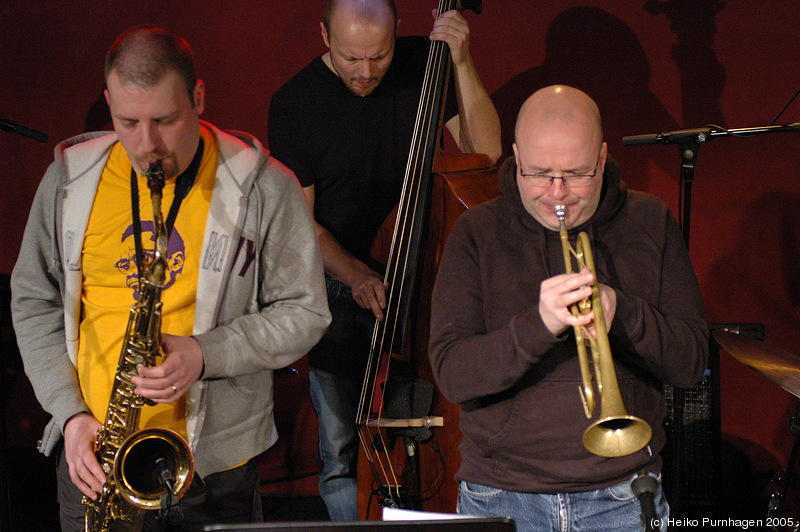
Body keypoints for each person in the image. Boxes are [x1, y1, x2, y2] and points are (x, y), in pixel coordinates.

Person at [11, 25, 330, 531]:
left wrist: (207, 353)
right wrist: (69, 415)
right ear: (107, 102)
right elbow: (33, 301)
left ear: (199, 97)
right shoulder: (69, 180)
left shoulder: (264, 186)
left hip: (213, 471)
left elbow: (305, 311)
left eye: (164, 119)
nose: (146, 145)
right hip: (94, 455)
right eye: (127, 121)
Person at [427, 85, 709, 531]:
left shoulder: (650, 220)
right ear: (516, 158)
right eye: (539, 173)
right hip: (501, 495)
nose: (558, 194)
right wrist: (539, 325)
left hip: (623, 494)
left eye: (577, 174)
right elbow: (453, 374)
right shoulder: (476, 232)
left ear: (601, 159)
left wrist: (624, 313)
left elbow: (691, 363)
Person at [267, 0, 501, 521]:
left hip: (423, 286)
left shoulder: (426, 63)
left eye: (380, 56)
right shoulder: (293, 104)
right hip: (338, 284)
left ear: (398, 34)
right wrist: (357, 275)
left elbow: (486, 153)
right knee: (342, 447)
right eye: (353, 58)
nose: (368, 72)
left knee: (434, 427)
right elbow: (299, 223)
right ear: (324, 35)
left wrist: (462, 63)